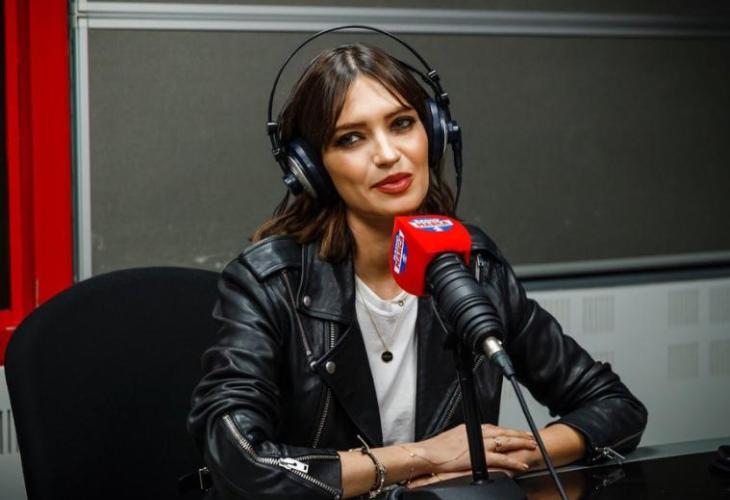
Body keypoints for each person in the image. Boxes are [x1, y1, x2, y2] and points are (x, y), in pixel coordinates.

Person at [188, 35, 647, 500]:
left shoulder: (476, 267)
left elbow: (615, 407)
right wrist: (423, 456)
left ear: (435, 133)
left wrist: (495, 454)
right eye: (351, 138)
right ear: (313, 169)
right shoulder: (270, 283)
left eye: (402, 124)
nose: (388, 154)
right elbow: (240, 460)